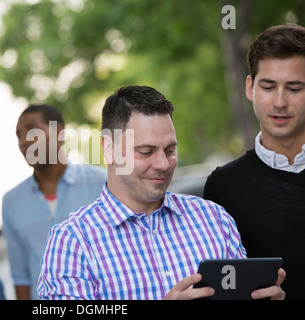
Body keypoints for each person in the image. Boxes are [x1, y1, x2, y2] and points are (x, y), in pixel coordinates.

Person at [37, 85, 286, 300]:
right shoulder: (72, 242)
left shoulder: (214, 220)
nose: (163, 164)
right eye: (146, 152)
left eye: (169, 150)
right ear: (109, 148)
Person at [203, 23, 305, 300]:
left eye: (294, 88)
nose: (280, 101)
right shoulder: (222, 187)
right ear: (250, 88)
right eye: (268, 86)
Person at [2, 104, 107, 300]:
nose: (24, 141)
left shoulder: (103, 184)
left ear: (59, 131)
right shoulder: (11, 202)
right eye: (18, 135)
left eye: (32, 131)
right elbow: (20, 275)